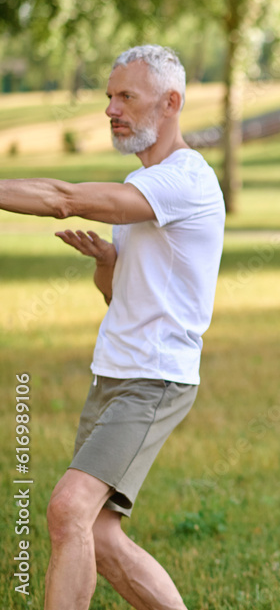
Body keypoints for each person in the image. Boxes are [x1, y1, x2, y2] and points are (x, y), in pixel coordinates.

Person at [0, 45, 225, 610]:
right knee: (97, 533)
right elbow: (115, 295)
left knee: (68, 508)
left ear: (171, 102)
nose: (110, 109)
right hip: (115, 371)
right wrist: (107, 262)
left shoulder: (185, 179)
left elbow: (63, 199)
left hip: (154, 377)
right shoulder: (141, 181)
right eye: (109, 96)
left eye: (126, 96)